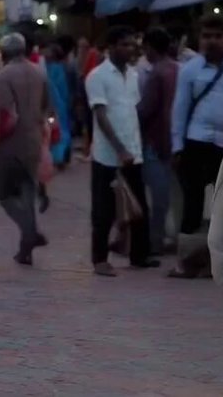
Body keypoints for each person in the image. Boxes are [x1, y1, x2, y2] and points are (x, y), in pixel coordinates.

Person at [85, 26, 160, 276]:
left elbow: (132, 112)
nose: (130, 50)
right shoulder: (97, 76)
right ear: (112, 47)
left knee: (139, 206)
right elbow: (101, 115)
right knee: (104, 210)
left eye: (131, 45)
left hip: (134, 151)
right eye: (124, 45)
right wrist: (119, 149)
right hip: (108, 155)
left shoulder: (133, 75)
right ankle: (100, 259)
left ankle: (139, 255)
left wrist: (135, 146)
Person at [169, 14, 223, 279]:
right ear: (199, 40)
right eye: (206, 36)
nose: (211, 41)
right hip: (195, 143)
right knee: (192, 205)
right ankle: (186, 262)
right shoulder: (190, 70)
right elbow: (180, 109)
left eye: (217, 36)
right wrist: (177, 147)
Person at [0, 33, 51, 265]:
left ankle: (30, 233)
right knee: (27, 191)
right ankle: (26, 248)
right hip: (34, 138)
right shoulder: (39, 71)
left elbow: (9, 116)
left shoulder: (4, 75)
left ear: (4, 52)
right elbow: (46, 107)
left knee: (4, 194)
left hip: (12, 143)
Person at [137, 27, 179, 256]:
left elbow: (145, 110)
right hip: (174, 141)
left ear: (150, 48)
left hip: (155, 142)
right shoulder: (178, 69)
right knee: (171, 195)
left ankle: (155, 240)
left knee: (157, 197)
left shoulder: (156, 73)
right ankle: (172, 237)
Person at [43, 39, 74, 171]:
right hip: (54, 103)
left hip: (58, 103)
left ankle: (59, 157)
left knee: (59, 129)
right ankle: (57, 157)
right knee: (56, 129)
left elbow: (63, 89)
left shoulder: (57, 68)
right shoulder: (46, 67)